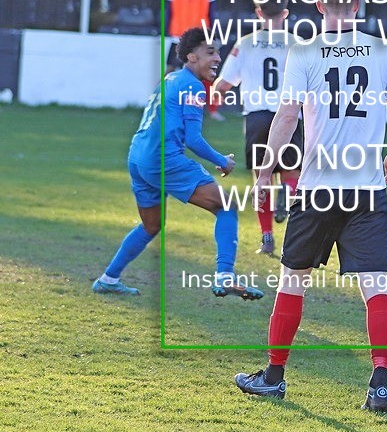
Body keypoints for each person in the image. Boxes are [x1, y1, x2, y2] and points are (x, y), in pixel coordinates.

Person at [234, 0, 387, 413]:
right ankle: (380, 383)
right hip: (366, 187)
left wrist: (266, 168)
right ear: (359, 4)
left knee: (293, 281)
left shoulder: (305, 51)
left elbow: (287, 116)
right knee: (375, 288)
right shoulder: (385, 50)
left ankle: (273, 377)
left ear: (317, 5)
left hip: (316, 187)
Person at [92, 27, 263, 301]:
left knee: (151, 225)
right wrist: (222, 161)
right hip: (163, 159)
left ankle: (108, 279)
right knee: (227, 205)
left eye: (218, 52)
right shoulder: (194, 86)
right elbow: (193, 139)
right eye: (211, 52)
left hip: (139, 157)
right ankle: (225, 276)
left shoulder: (170, 79)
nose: (218, 58)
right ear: (192, 57)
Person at [212, 0, 304, 255]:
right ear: (285, 13)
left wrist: (211, 88)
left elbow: (224, 84)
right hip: (288, 115)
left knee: (261, 179)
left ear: (258, 13)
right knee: (291, 172)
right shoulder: (296, 43)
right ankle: (288, 190)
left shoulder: (246, 43)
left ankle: (266, 237)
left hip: (256, 117)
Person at [165, 0, 224, 121]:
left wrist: (213, 36)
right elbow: (168, 12)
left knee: (208, 72)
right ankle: (163, 103)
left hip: (200, 39)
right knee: (170, 71)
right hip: (178, 35)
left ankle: (212, 109)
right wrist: (164, 31)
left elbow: (212, 14)